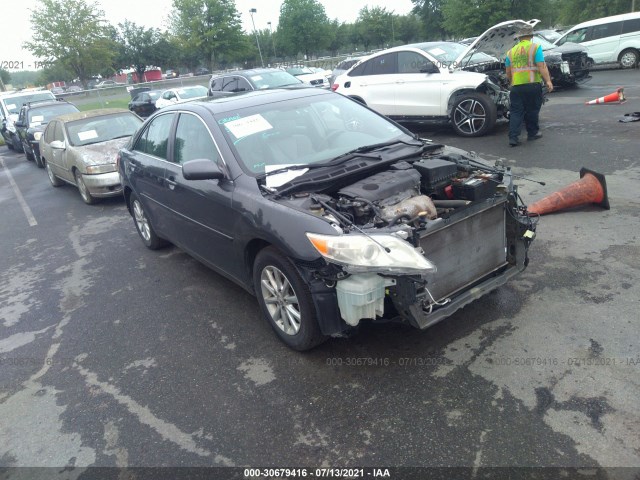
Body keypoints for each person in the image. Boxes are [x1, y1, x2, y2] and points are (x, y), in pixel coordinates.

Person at [505, 25, 554, 147]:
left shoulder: (510, 52)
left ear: (519, 38)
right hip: (532, 85)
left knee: (516, 112)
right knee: (532, 110)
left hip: (516, 87)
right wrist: (548, 81)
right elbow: (541, 66)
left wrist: (511, 82)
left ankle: (513, 138)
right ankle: (532, 133)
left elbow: (508, 71)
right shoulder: (535, 48)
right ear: (531, 36)